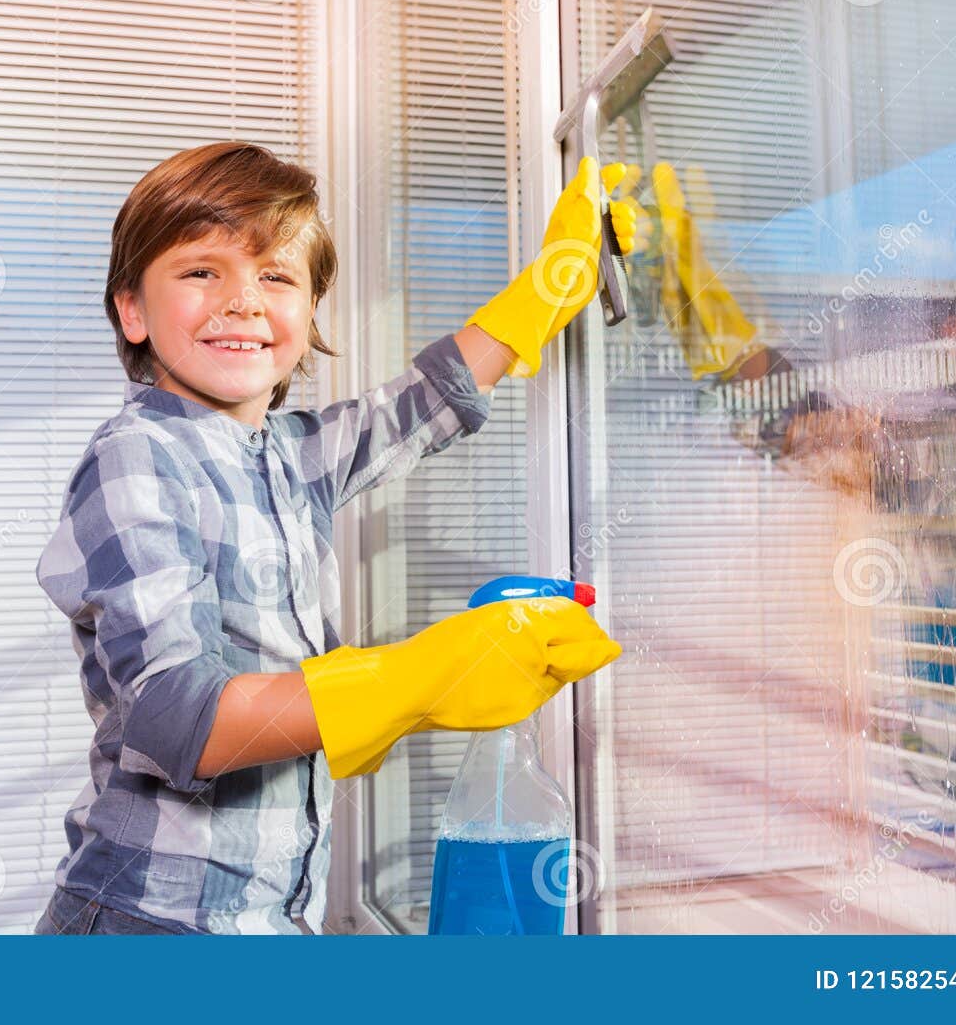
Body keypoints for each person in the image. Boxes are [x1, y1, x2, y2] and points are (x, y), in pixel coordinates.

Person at [32, 141, 633, 934]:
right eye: (202, 270)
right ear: (132, 310)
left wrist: (550, 285)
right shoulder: (135, 457)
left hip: (267, 922)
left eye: (276, 276)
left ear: (309, 313)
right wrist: (419, 677)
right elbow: (176, 714)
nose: (243, 300)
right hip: (146, 924)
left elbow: (421, 403)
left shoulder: (286, 452)